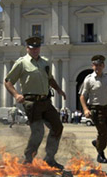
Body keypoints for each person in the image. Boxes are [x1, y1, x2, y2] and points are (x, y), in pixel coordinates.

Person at [4, 36, 66, 169]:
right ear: (27, 48)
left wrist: (59, 90)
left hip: (46, 101)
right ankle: (28, 159)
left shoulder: (45, 63)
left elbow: (50, 79)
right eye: (32, 48)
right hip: (31, 102)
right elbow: (8, 81)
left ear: (39, 48)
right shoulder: (21, 63)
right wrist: (16, 94)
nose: (35, 50)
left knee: (57, 127)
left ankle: (49, 159)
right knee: (38, 132)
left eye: (37, 48)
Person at [79, 55, 107, 163]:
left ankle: (98, 143)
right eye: (95, 65)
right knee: (103, 133)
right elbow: (82, 96)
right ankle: (100, 154)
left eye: (99, 65)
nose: (97, 67)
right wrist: (85, 109)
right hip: (96, 110)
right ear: (92, 66)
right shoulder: (89, 79)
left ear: (103, 65)